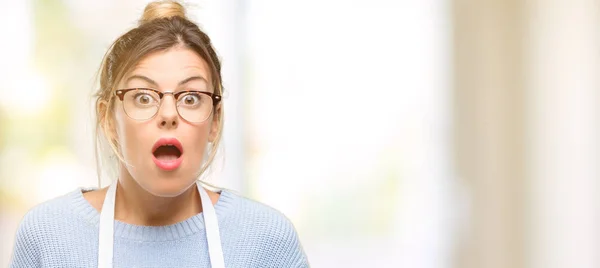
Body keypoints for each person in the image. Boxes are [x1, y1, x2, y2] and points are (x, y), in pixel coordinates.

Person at [9, 1, 309, 267]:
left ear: (215, 121)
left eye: (190, 97)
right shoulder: (47, 235)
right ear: (108, 119)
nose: (168, 114)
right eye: (143, 96)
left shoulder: (267, 240)